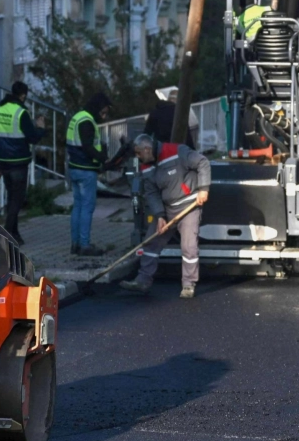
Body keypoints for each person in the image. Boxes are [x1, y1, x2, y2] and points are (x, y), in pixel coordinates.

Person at [118, 134, 211, 299]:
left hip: (189, 206)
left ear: (147, 149)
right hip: (167, 209)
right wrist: (160, 216)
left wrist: (203, 188)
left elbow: (202, 162)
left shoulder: (177, 151)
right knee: (151, 242)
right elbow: (152, 193)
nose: (138, 158)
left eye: (139, 153)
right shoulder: (146, 166)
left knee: (188, 246)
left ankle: (188, 284)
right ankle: (143, 280)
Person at [0, 81, 47, 244]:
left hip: (2, 160)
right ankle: (8, 232)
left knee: (11, 197)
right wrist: (41, 127)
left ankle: (15, 233)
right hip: (18, 161)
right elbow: (33, 137)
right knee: (18, 198)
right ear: (23, 95)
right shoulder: (21, 113)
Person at [66, 92, 111, 256]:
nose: (105, 114)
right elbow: (88, 147)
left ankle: (75, 244)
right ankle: (84, 245)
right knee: (87, 207)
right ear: (98, 107)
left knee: (77, 207)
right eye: (104, 111)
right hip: (85, 170)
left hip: (74, 169)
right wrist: (101, 158)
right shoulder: (87, 121)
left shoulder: (77, 117)